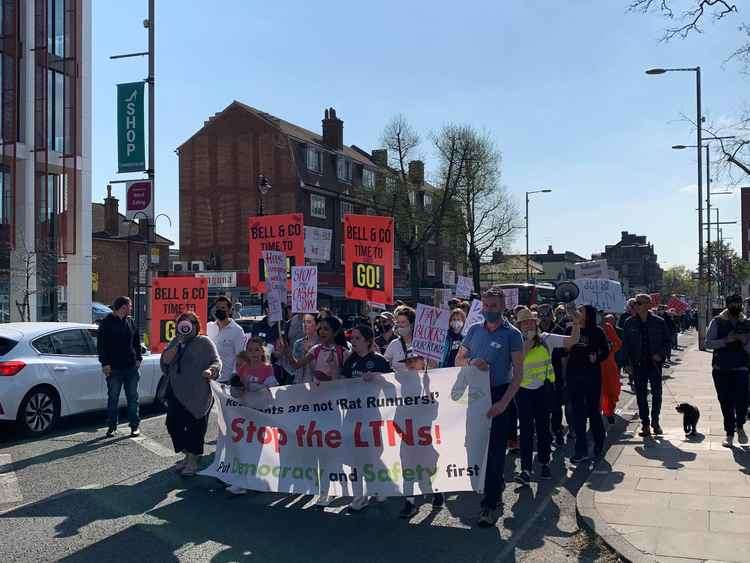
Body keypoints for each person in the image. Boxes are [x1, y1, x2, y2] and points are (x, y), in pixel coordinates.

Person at [455, 286, 523, 528]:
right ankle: (491, 484)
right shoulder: (473, 330)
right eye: (486, 306)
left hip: (498, 395)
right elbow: (459, 360)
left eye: (494, 306)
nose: (489, 310)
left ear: (503, 307)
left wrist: (504, 403)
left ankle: (490, 505)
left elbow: (518, 374)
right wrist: (473, 361)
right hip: (475, 396)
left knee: (495, 452)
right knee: (475, 447)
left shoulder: (513, 334)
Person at [514, 307, 580, 485]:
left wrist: (576, 322)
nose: (528, 324)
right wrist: (529, 342)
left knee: (543, 429)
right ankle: (526, 469)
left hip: (544, 390)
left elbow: (572, 340)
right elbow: (517, 360)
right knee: (526, 432)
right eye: (524, 322)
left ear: (535, 323)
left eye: (531, 321)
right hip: (523, 391)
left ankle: (544, 463)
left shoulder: (546, 339)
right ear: (519, 325)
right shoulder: (515, 341)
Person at [160, 312, 222, 476]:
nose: (186, 327)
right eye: (182, 323)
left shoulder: (204, 342)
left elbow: (216, 361)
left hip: (198, 392)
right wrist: (179, 341)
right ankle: (187, 455)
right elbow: (165, 361)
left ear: (196, 326)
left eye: (190, 323)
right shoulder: (176, 341)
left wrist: (211, 370)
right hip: (176, 391)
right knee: (173, 424)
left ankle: (192, 461)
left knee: (195, 427)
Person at [341, 325, 393, 512]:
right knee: (355, 458)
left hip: (372, 416)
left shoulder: (378, 361)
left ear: (368, 340)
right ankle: (359, 496)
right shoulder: (349, 362)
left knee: (374, 454)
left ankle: (378, 486)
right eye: (352, 338)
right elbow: (340, 386)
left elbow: (392, 388)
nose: (353, 342)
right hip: (352, 417)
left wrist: (378, 378)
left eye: (357, 338)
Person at [224, 339, 283, 495]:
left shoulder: (268, 368)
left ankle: (261, 480)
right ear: (247, 352)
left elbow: (273, 389)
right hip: (246, 413)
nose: (254, 353)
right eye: (251, 350)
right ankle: (243, 482)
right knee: (245, 447)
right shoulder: (243, 368)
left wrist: (262, 387)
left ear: (262, 352)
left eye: (257, 350)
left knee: (261, 448)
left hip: (262, 413)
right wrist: (237, 388)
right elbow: (238, 391)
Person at [622, 294, 671, 438]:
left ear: (648, 305)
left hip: (654, 364)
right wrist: (625, 363)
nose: (636, 305)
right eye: (635, 303)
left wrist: (660, 355)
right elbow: (625, 345)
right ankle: (645, 423)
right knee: (641, 395)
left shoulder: (659, 322)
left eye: (639, 303)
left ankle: (655, 421)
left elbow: (667, 342)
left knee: (657, 393)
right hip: (637, 364)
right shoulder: (629, 322)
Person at [705, 294, 750, 447]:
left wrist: (744, 342)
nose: (736, 306)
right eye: (733, 304)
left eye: (739, 304)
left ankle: (740, 426)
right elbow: (707, 343)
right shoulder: (717, 321)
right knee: (726, 401)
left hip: (741, 368)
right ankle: (729, 433)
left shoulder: (746, 323)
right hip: (721, 368)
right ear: (727, 305)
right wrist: (726, 340)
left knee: (742, 401)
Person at [566, 305, 610, 463]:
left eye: (581, 311)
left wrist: (596, 358)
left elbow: (606, 350)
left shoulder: (597, 331)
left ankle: (599, 443)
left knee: (593, 412)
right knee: (578, 414)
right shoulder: (571, 329)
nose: (578, 312)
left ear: (588, 315)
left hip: (591, 376)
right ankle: (581, 449)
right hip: (574, 376)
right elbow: (563, 349)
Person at [97, 296, 143, 438]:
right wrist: (104, 363)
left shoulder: (130, 321)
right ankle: (111, 426)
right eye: (129, 306)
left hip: (131, 367)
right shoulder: (106, 323)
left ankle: (134, 426)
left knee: (133, 398)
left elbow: (136, 341)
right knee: (113, 397)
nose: (131, 308)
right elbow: (101, 345)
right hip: (114, 368)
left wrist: (139, 358)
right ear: (122, 307)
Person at [207, 296, 246, 383]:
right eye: (217, 307)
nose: (219, 310)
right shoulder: (208, 327)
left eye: (223, 308)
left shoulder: (237, 331)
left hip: (226, 380)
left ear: (229, 310)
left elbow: (240, 357)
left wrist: (234, 377)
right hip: (209, 379)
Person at [600, 314, 622, 424]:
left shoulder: (607, 327)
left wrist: (609, 349)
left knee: (610, 389)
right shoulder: (583, 327)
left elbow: (618, 343)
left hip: (608, 363)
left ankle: (609, 411)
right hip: (592, 365)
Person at [384, 306, 416, 376]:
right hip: (399, 385)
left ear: (412, 324)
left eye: (403, 322)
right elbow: (384, 366)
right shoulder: (394, 344)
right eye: (398, 322)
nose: (400, 325)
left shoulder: (421, 344)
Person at [291, 313, 319, 384]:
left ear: (317, 325)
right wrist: (286, 354)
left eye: (309, 322)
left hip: (317, 385)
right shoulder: (298, 343)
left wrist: (309, 352)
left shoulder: (321, 344)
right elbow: (293, 368)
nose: (305, 325)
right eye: (304, 322)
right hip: (300, 384)